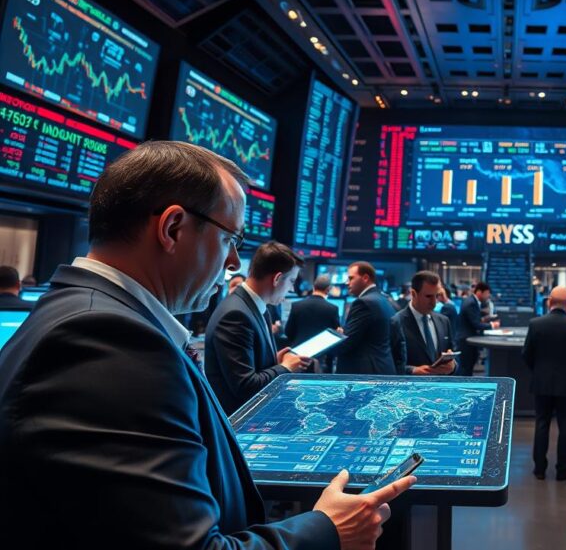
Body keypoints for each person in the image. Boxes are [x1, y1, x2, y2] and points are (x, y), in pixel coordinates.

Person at [0, 141, 409, 547]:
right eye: (230, 238)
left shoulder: (86, 315)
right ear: (172, 228)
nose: (233, 262)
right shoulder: (107, 341)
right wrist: (328, 529)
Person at [206, 241, 311, 415]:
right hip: (237, 423)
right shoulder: (235, 315)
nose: (292, 288)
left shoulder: (256, 308)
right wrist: (285, 368)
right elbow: (246, 387)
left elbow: (247, 368)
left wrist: (273, 361)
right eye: (292, 281)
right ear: (277, 278)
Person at [523, 286, 566, 481]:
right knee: (565, 425)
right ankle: (563, 469)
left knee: (541, 423)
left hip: (541, 383)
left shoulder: (536, 324)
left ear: (550, 302)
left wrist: (538, 371)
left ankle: (539, 469)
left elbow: (526, 354)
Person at [333, 261, 399, 374]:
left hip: (365, 375)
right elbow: (398, 343)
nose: (347, 283)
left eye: (351, 278)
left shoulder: (363, 303)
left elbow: (346, 344)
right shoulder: (387, 300)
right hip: (384, 369)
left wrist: (339, 336)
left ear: (365, 278)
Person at [390, 271, 457, 375]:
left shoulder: (444, 321)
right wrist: (412, 371)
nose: (434, 303)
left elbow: (454, 355)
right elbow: (390, 365)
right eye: (428, 296)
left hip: (440, 387)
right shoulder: (396, 322)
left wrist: (453, 366)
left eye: (437, 296)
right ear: (413, 294)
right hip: (411, 388)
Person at [285, 274, 343, 373]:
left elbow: (288, 331)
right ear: (328, 289)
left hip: (298, 357)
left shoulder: (297, 305)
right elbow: (334, 336)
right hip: (322, 359)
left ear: (313, 287)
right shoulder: (333, 308)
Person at [456, 281, 499, 376]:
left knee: (468, 368)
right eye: (487, 293)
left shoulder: (472, 301)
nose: (488, 296)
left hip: (467, 339)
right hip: (466, 341)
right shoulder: (471, 303)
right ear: (479, 292)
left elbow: (473, 320)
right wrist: (492, 325)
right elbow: (476, 324)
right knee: (466, 369)